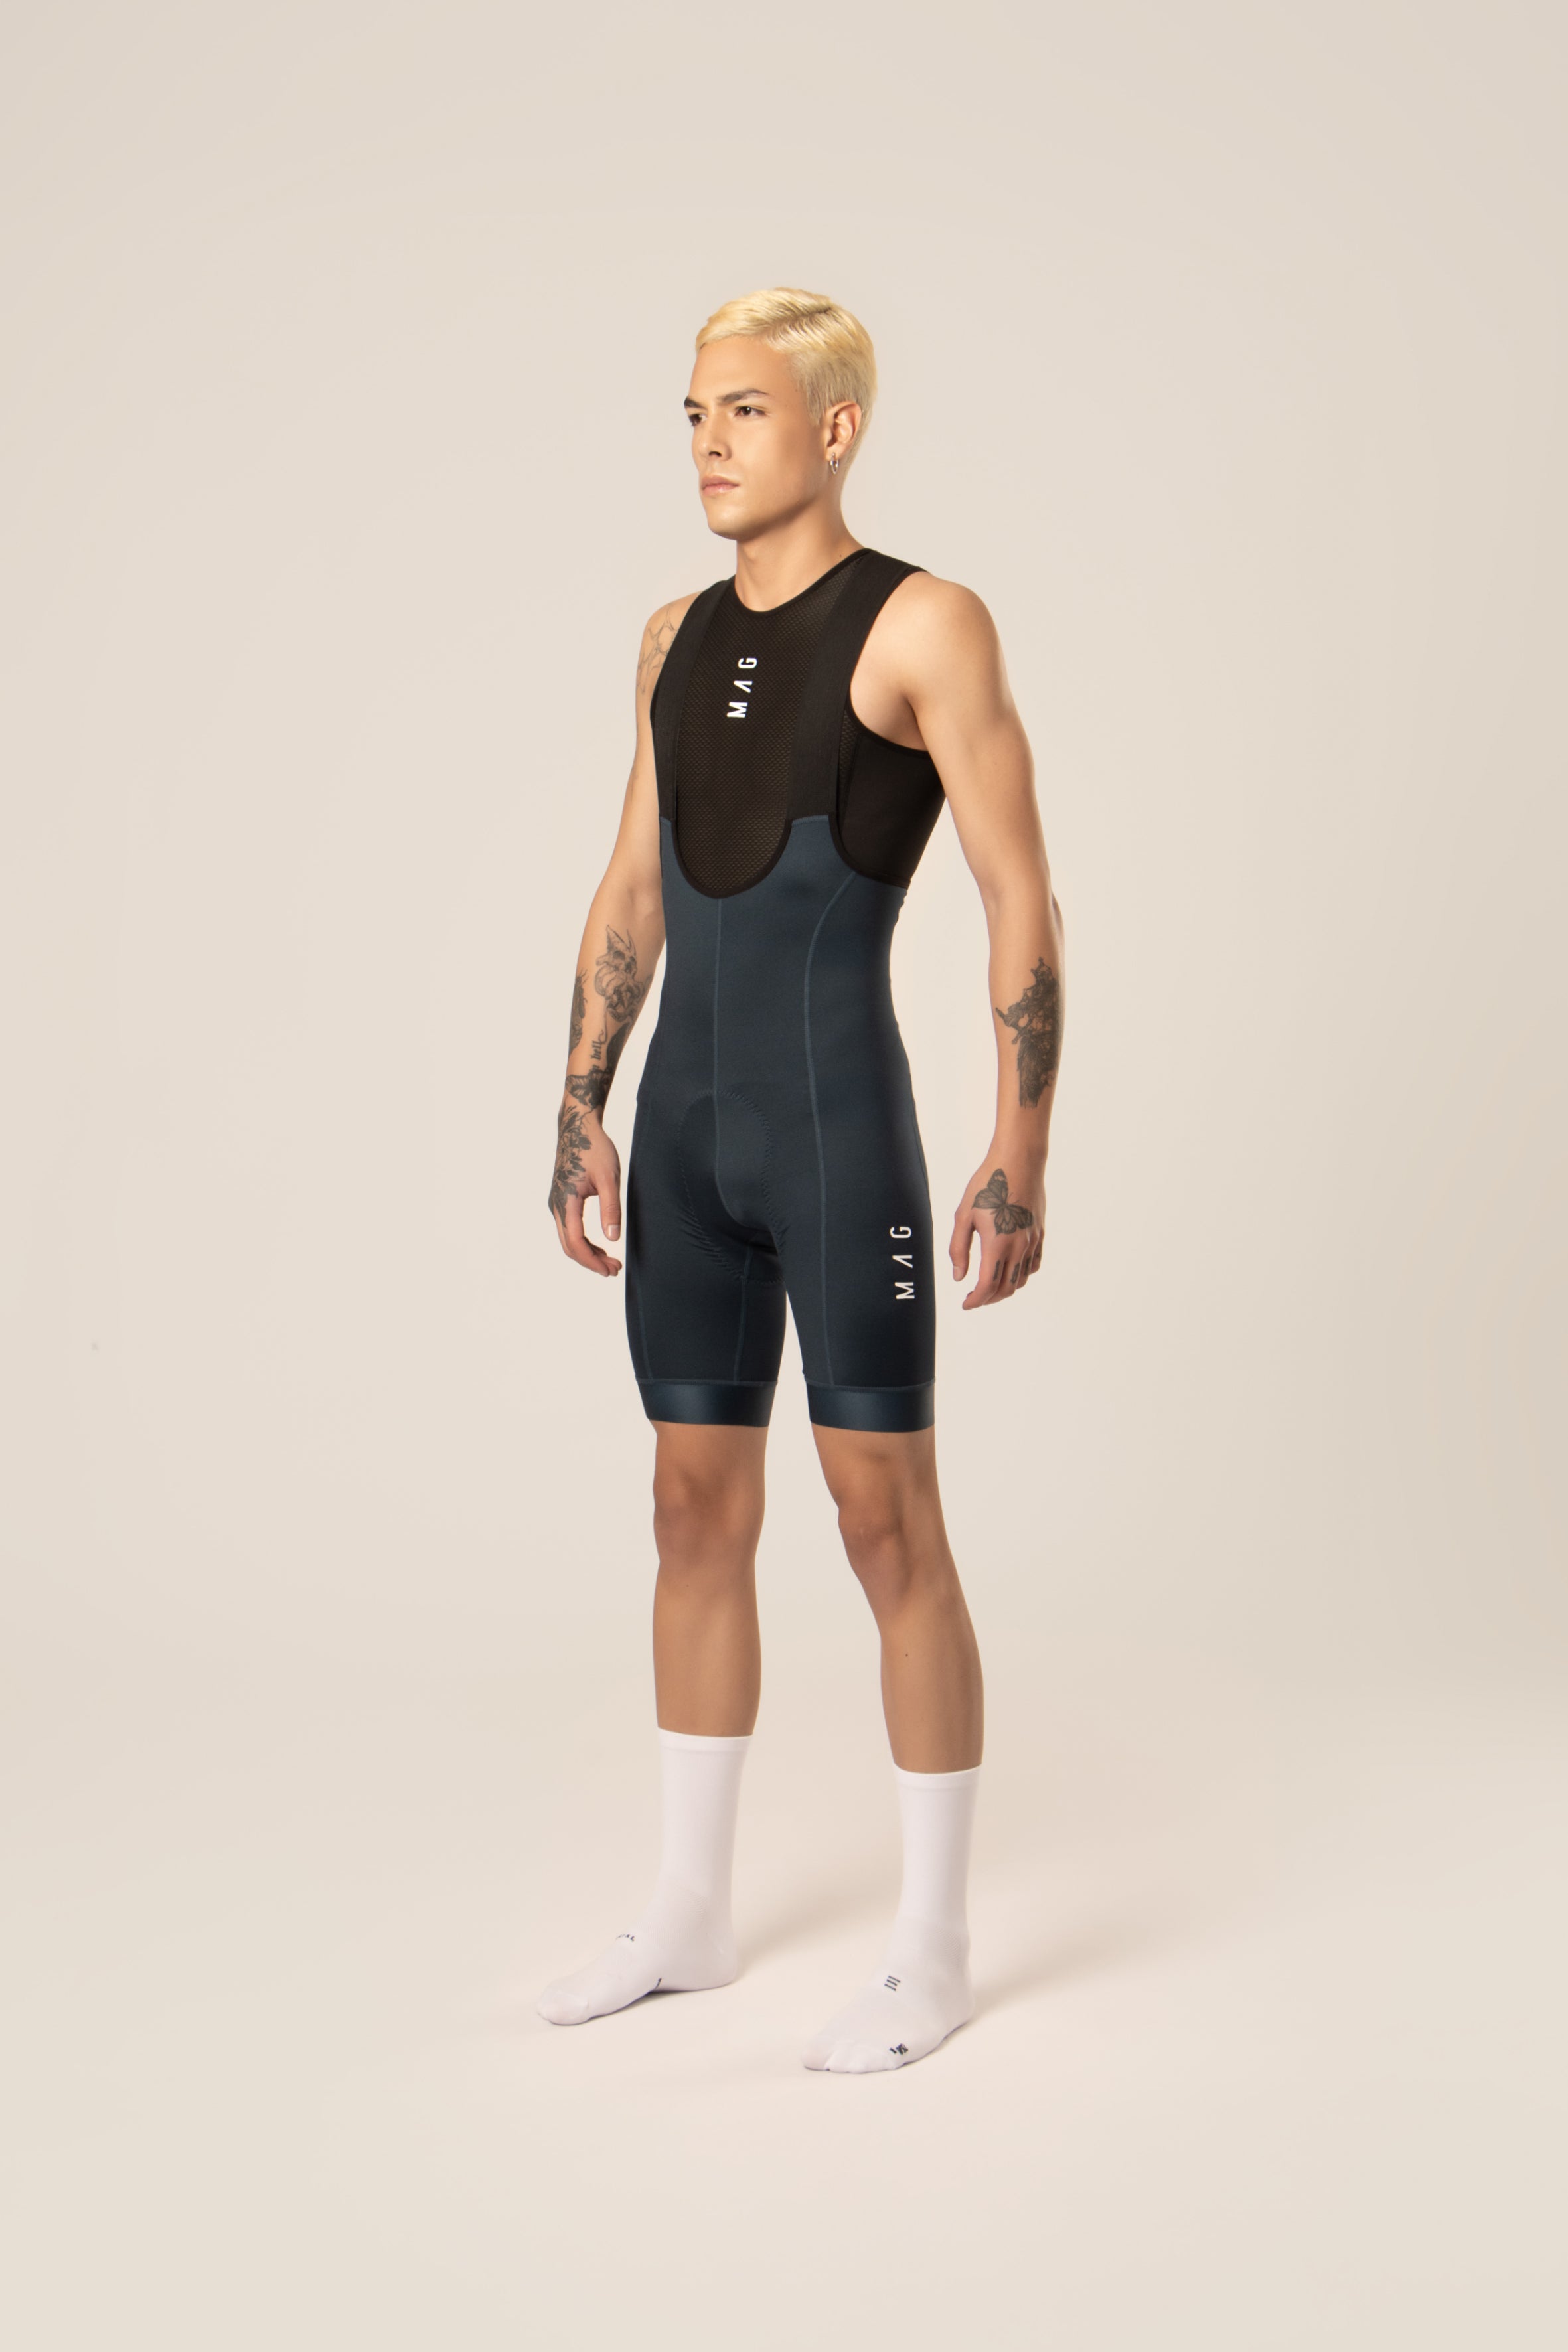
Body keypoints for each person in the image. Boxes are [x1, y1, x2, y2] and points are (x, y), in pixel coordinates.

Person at [538, 287, 1064, 2072]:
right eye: (693, 411)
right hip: (686, 1134)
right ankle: (689, 1912)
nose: (707, 441)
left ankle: (933, 1949)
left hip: (838, 1133)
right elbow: (633, 885)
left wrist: (1020, 1143)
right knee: (690, 1510)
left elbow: (1016, 888)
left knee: (883, 1522)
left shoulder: (924, 623)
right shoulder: (669, 637)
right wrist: (580, 1100)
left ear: (836, 429)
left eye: (745, 411)